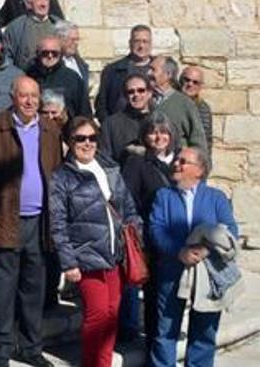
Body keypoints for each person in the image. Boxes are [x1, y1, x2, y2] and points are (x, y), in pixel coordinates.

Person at [0, 76, 63, 367]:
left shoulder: (50, 129)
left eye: (34, 96)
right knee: (3, 290)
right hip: (5, 219)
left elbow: (58, 175)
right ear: (13, 97)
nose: (29, 102)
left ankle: (30, 348)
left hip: (40, 221)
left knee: (33, 290)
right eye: (23, 96)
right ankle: (1, 347)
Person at [49, 117, 141, 367]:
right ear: (69, 142)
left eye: (92, 138)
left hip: (115, 254)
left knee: (112, 314)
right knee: (97, 314)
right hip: (87, 255)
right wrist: (68, 262)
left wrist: (136, 232)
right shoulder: (62, 177)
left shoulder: (109, 167)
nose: (87, 143)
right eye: (80, 138)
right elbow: (57, 223)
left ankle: (103, 362)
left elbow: (128, 206)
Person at [149, 147, 238, 367]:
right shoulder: (164, 196)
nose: (176, 164)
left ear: (199, 170)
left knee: (205, 331)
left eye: (183, 161)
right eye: (177, 160)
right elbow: (156, 230)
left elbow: (230, 230)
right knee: (165, 330)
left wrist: (207, 250)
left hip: (208, 273)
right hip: (172, 269)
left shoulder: (216, 198)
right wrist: (179, 251)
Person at [120, 112, 179, 344]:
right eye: (153, 132)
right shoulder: (137, 163)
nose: (158, 136)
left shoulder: (180, 161)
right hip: (151, 239)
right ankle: (154, 343)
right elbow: (127, 201)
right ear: (144, 136)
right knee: (154, 294)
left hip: (178, 236)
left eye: (163, 131)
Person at [95, 25, 153, 122]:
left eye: (145, 41)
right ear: (130, 43)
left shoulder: (160, 69)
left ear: (151, 44)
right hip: (121, 128)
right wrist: (109, 127)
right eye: (137, 41)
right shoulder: (112, 71)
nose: (141, 46)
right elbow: (102, 105)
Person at [25, 35, 92, 119]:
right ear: (38, 53)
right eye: (45, 53)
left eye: (54, 53)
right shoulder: (29, 77)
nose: (50, 56)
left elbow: (84, 112)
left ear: (61, 54)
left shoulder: (73, 78)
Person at [149, 56, 207, 152]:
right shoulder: (142, 99)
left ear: (168, 75)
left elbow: (198, 140)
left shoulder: (186, 104)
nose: (148, 73)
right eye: (186, 80)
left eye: (153, 70)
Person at [3, 0, 62, 71]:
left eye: (46, 0)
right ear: (29, 3)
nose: (43, 4)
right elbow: (7, 58)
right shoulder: (15, 27)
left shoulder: (59, 26)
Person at [99, 74, 153, 165]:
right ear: (125, 96)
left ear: (149, 93)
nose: (136, 95)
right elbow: (105, 158)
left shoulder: (160, 120)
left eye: (141, 90)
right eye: (131, 92)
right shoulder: (111, 124)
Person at [180, 66, 213, 157]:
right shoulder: (170, 101)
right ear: (180, 80)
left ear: (200, 86)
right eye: (187, 80)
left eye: (195, 82)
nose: (190, 84)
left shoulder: (203, 109)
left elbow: (205, 140)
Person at [56, 20, 89, 87]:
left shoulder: (81, 64)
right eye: (73, 40)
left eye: (77, 40)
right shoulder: (53, 62)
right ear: (61, 39)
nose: (76, 43)